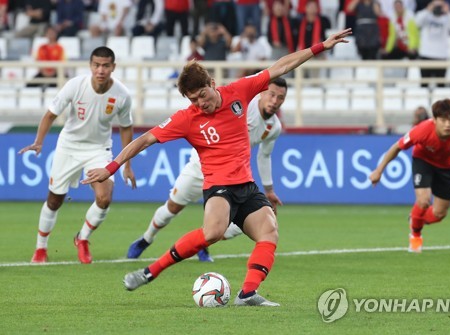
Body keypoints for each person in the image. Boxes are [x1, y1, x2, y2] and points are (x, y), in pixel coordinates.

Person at [81, 28, 352, 306]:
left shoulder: (239, 92)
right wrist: (111, 167)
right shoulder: (186, 118)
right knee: (212, 232)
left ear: (211, 83)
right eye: (193, 99)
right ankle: (149, 272)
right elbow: (145, 139)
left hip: (246, 186)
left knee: (269, 231)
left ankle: (247, 294)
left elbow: (280, 66)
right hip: (218, 186)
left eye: (201, 95)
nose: (200, 103)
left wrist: (321, 46)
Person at [126, 77, 288, 262]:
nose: (275, 101)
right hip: (200, 168)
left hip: (231, 177)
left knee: (244, 219)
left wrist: (269, 190)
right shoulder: (244, 104)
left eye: (280, 97)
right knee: (172, 208)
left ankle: (201, 244)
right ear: (262, 92)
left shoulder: (274, 127)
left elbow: (264, 156)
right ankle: (146, 239)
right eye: (271, 94)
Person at [19, 47, 137, 264]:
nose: (100, 70)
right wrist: (39, 142)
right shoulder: (75, 85)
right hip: (69, 147)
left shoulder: (122, 95)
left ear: (113, 67)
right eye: (96, 65)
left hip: (99, 149)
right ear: (90, 65)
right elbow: (50, 114)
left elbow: (126, 127)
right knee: (54, 201)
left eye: (105, 65)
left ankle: (82, 238)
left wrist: (127, 164)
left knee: (104, 198)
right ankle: (41, 248)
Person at [369, 99, 450, 253]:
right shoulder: (422, 130)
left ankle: (415, 220)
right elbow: (397, 147)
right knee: (423, 200)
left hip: (447, 168)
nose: (447, 125)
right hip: (423, 161)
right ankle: (416, 235)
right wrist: (379, 170)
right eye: (443, 120)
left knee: (439, 214)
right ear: (434, 120)